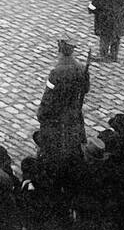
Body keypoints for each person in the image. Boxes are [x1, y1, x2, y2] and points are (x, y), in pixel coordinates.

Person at [35, 37, 89, 187]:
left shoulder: (56, 72)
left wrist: (42, 113)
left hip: (57, 114)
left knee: (53, 145)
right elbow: (86, 89)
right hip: (74, 112)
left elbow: (49, 96)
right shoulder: (81, 68)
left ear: (60, 49)